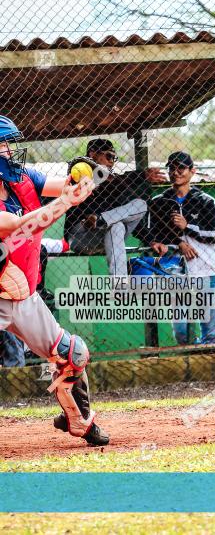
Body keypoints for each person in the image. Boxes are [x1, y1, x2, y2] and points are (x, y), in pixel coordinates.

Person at [0, 115, 109, 445]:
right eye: (3, 146)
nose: (10, 151)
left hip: (24, 297)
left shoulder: (23, 178)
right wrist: (65, 202)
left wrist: (82, 178)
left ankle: (79, 420)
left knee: (71, 353)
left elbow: (64, 187)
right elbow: (18, 225)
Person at [147, 152, 215, 345]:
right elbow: (154, 236)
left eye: (181, 168)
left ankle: (208, 366)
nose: (176, 172)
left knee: (211, 334)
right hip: (176, 272)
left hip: (206, 268)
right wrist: (177, 244)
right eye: (171, 168)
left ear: (192, 171)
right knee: (182, 333)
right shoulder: (159, 202)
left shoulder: (206, 201)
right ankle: (193, 354)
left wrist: (187, 227)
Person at [64, 138, 163, 278]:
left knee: (133, 211)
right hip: (82, 236)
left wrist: (151, 240)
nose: (112, 161)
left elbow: (126, 211)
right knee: (115, 222)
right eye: (108, 156)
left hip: (106, 233)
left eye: (114, 158)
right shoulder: (79, 172)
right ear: (93, 154)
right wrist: (140, 175)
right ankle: (102, 220)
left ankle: (119, 286)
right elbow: (112, 183)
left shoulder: (115, 183)